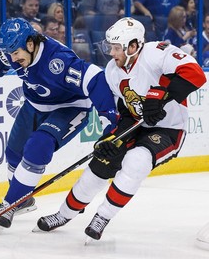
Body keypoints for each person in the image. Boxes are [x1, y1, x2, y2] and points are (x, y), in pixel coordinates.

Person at [36, 17, 206, 243]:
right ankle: (64, 214)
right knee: (99, 166)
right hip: (135, 125)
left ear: (133, 46)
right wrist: (112, 137)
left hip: (168, 129)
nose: (112, 53)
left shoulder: (156, 52)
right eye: (111, 47)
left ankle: (102, 217)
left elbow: (196, 73)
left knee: (137, 160)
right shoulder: (112, 71)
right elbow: (124, 113)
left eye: (117, 48)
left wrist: (161, 95)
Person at [0, 17, 118, 229]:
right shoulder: (16, 50)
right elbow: (5, 58)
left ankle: (10, 203)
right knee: (13, 153)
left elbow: (95, 78)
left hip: (70, 107)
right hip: (35, 104)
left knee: (38, 146)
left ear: (31, 44)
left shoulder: (59, 61)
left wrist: (110, 119)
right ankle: (23, 199)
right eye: (9, 53)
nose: (12, 58)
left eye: (15, 53)